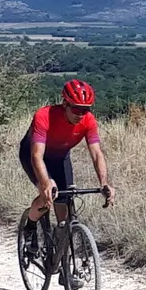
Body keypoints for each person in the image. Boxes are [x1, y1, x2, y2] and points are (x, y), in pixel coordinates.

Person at [18, 79, 115, 264]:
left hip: (60, 157)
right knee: (48, 195)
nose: (81, 114)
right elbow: (37, 156)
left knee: (64, 210)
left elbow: (96, 154)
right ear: (65, 104)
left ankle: (62, 260)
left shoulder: (88, 120)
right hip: (33, 155)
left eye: (85, 110)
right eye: (76, 109)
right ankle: (30, 226)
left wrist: (104, 183)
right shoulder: (44, 116)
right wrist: (46, 183)